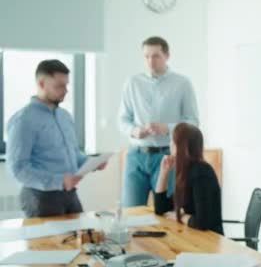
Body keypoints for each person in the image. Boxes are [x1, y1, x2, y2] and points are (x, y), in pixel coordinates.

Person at [6, 59, 108, 217]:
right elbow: (18, 168)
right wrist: (59, 180)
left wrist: (92, 163)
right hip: (40, 197)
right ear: (41, 84)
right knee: (47, 242)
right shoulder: (24, 120)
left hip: (69, 194)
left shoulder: (64, 116)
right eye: (59, 86)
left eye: (66, 85)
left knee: (79, 238)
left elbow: (73, 155)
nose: (65, 90)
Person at [118, 36, 199, 206]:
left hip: (167, 157)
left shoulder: (182, 83)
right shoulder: (132, 83)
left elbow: (193, 122)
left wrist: (168, 128)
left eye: (155, 56)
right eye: (146, 56)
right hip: (135, 156)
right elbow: (123, 120)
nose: (150, 61)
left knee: (164, 211)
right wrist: (134, 130)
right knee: (130, 212)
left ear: (167, 56)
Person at [153, 123, 223, 234]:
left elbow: (202, 222)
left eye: (172, 140)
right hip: (196, 236)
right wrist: (163, 172)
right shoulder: (187, 170)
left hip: (210, 240)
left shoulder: (201, 172)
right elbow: (160, 208)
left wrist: (180, 216)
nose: (169, 144)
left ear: (181, 146)